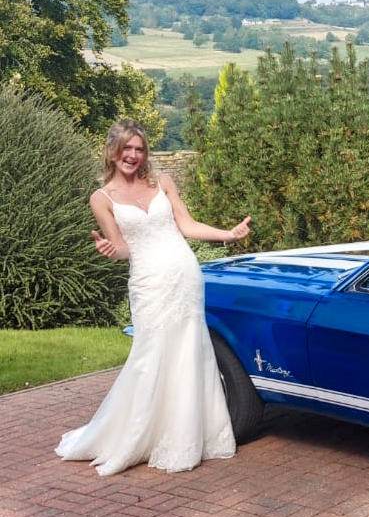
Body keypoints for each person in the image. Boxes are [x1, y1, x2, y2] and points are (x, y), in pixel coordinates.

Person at [55, 119, 252, 476]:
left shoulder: (162, 182)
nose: (133, 155)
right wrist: (110, 251)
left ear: (145, 152)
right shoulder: (101, 199)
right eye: (127, 148)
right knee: (150, 354)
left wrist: (229, 235)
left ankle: (189, 436)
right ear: (113, 152)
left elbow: (187, 225)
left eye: (139, 149)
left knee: (189, 351)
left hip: (184, 275)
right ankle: (137, 434)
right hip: (148, 282)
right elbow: (122, 248)